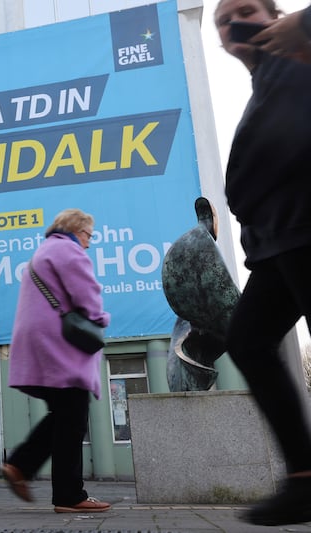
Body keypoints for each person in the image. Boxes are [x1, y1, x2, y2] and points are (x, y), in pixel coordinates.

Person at [215, 0, 311, 526]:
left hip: (305, 226)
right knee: (247, 341)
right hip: (277, 245)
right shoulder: (263, 84)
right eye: (223, 21)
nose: (233, 23)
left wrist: (306, 23)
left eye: (247, 9)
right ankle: (303, 476)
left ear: (277, 14)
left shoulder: (300, 51)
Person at [1, 208, 111, 513]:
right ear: (77, 230)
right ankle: (67, 494)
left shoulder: (44, 251)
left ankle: (22, 466)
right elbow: (86, 295)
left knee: (65, 415)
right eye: (89, 235)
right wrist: (102, 318)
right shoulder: (68, 250)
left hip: (40, 343)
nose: (89, 243)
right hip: (60, 344)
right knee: (72, 416)